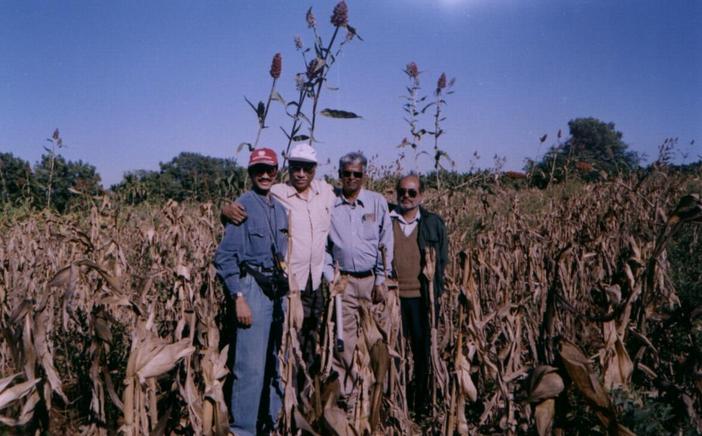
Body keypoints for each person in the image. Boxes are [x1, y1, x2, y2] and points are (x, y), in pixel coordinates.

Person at [221, 143, 335, 385]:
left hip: (315, 283)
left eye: (307, 168)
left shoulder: (325, 192)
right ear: (288, 169)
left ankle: (305, 401)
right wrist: (225, 210)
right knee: (285, 345)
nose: (301, 173)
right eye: (296, 167)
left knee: (310, 341)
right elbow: (245, 205)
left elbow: (349, 199)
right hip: (289, 287)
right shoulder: (277, 192)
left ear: (315, 169)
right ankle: (283, 404)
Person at [214, 147, 289, 436]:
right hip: (252, 290)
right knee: (250, 368)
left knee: (274, 363)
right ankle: (243, 430)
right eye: (259, 170)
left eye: (270, 169)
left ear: (277, 171)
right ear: (251, 173)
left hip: (276, 291)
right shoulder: (242, 206)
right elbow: (224, 258)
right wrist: (238, 298)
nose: (265, 175)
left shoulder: (279, 209)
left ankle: (270, 424)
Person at [323, 151, 393, 411]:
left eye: (357, 174)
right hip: (345, 283)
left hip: (373, 282)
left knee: (377, 339)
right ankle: (350, 398)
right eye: (347, 174)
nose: (351, 178)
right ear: (340, 175)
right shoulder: (330, 204)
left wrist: (381, 278)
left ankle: (377, 396)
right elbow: (324, 247)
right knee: (344, 341)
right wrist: (332, 276)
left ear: (364, 176)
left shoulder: (377, 203)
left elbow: (386, 242)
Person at [389, 174, 448, 419]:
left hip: (421, 298)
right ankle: (395, 400)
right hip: (393, 297)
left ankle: (421, 403)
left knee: (422, 351)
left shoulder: (433, 223)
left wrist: (436, 294)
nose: (406, 197)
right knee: (394, 350)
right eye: (402, 192)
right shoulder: (387, 220)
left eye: (412, 192)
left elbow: (441, 261)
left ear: (421, 195)